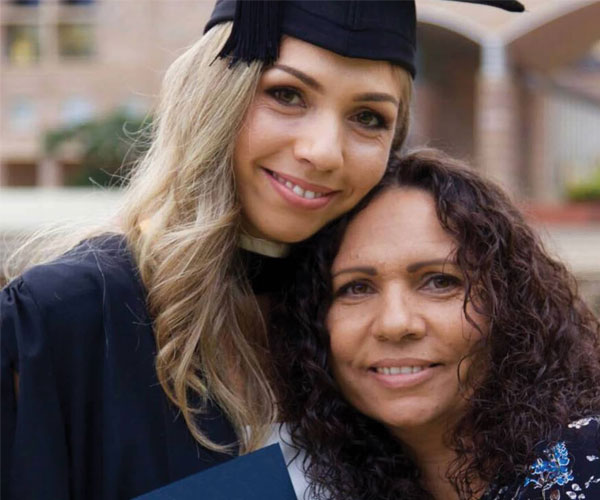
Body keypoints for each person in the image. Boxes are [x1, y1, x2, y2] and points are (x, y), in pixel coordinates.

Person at [0, 1, 524, 498]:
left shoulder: (360, 327)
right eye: (287, 94)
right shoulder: (66, 319)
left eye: (368, 117)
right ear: (214, 94)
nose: (322, 152)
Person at [271, 150, 600, 500]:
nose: (396, 323)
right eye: (357, 288)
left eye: (439, 282)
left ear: (509, 305)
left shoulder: (587, 464)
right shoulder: (312, 482)